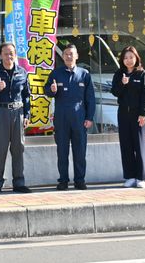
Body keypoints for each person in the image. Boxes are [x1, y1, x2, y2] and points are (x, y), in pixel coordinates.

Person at [46, 44, 96, 190]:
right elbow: (47, 90)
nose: (69, 56)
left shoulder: (84, 74)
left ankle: (80, 180)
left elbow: (90, 98)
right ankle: (63, 180)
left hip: (79, 117)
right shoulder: (56, 73)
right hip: (61, 117)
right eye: (66, 54)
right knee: (62, 151)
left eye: (71, 54)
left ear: (76, 56)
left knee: (80, 150)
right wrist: (52, 90)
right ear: (63, 56)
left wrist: (89, 117)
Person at [0, 42, 31, 194]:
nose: (9, 56)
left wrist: (27, 114)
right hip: (1, 111)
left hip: (18, 112)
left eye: (11, 53)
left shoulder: (22, 72)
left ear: (15, 55)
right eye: (5, 53)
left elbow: (26, 96)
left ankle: (19, 182)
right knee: (0, 148)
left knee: (18, 148)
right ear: (0, 55)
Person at [111, 45, 145, 189]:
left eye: (131, 57)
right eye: (126, 58)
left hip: (138, 115)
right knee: (126, 146)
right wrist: (122, 84)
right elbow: (115, 92)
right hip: (123, 114)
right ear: (122, 60)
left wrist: (143, 113)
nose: (128, 60)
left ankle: (140, 177)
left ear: (136, 58)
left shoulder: (142, 74)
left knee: (139, 146)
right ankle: (130, 176)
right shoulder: (119, 74)